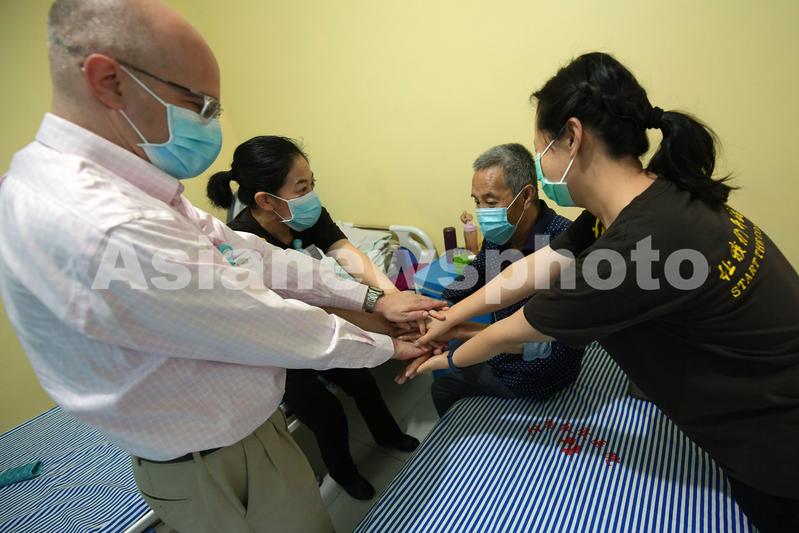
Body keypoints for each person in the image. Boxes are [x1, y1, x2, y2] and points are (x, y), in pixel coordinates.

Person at [0, 1, 445, 532]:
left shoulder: (138, 195)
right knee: (325, 412)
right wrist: (386, 342)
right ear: (110, 81)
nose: (210, 123)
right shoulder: (104, 223)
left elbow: (258, 258)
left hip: (241, 434)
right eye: (200, 104)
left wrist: (375, 297)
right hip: (214, 458)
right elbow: (266, 319)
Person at [405, 52, 799, 533]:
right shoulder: (647, 200)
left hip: (776, 444)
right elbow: (537, 267)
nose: (541, 168)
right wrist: (448, 316)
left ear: (572, 137)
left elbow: (510, 332)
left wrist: (440, 359)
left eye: (541, 150)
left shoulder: (634, 244)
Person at [207, 135, 419, 500]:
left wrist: (390, 296)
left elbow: (344, 251)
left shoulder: (305, 215)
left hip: (320, 314)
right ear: (266, 200)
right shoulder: (242, 243)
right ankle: (344, 473)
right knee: (326, 412)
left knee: (362, 379)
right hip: (279, 339)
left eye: (312, 184)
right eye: (301, 188)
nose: (312, 196)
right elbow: (299, 308)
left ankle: (388, 435)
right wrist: (379, 318)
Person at [429, 143, 584, 416]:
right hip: (504, 352)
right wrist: (434, 312)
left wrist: (460, 331)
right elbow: (469, 280)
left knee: (442, 387)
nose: (481, 212)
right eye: (477, 202)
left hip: (536, 372)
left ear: (526, 196)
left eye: (490, 203)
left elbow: (552, 348)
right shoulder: (499, 238)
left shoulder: (563, 243)